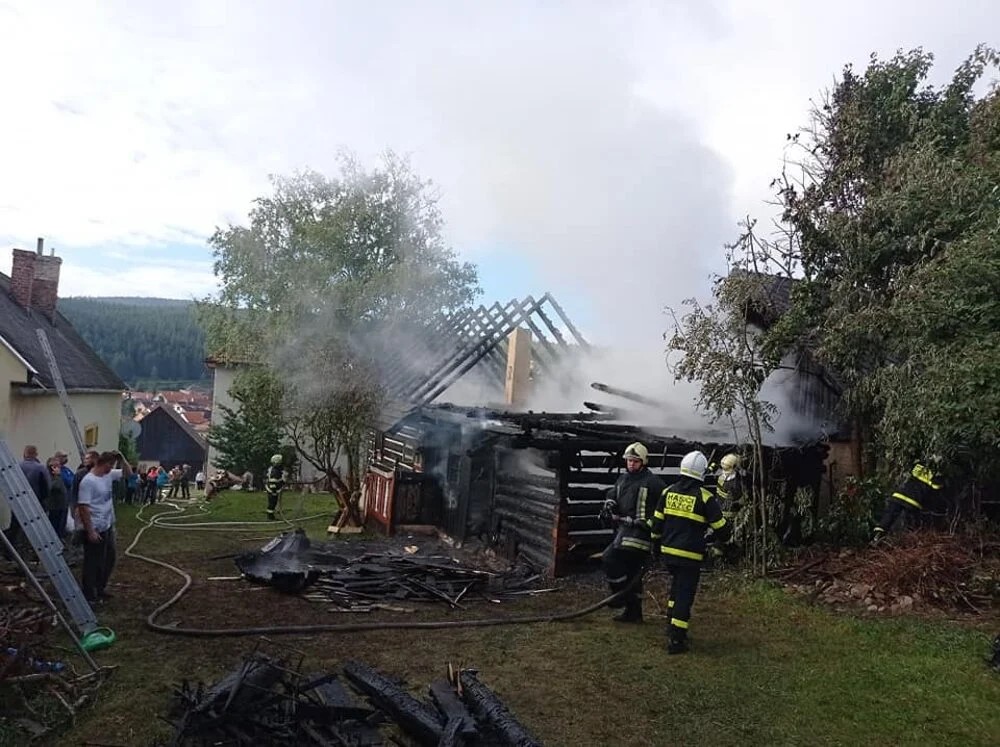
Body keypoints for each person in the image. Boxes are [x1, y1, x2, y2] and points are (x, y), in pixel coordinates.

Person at [648, 450, 731, 655]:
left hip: (669, 553)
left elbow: (656, 524)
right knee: (685, 595)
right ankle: (677, 640)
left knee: (676, 590)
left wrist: (655, 549)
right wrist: (726, 539)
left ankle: (670, 625)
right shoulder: (705, 498)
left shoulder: (668, 492)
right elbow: (722, 530)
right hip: (690, 556)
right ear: (701, 473)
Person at [599, 442, 665, 623]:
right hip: (624, 531)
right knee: (632, 574)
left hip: (640, 535)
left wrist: (650, 525)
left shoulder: (653, 482)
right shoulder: (623, 478)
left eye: (635, 461)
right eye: (629, 460)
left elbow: (663, 508)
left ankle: (619, 597)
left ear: (643, 462)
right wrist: (609, 503)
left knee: (609, 558)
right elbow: (613, 493)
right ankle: (633, 613)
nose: (631, 464)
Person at [76, 451, 132, 603]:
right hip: (94, 528)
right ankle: (89, 594)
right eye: (111, 465)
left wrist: (122, 458)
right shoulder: (89, 481)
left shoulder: (107, 475)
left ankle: (100, 588)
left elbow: (128, 474)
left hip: (106, 525)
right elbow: (83, 507)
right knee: (93, 562)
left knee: (109, 559)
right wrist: (90, 531)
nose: (111, 468)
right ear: (103, 464)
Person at [872, 461, 944, 543]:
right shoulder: (937, 473)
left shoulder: (919, 465)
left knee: (889, 516)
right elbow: (937, 487)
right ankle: (907, 542)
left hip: (898, 495)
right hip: (913, 500)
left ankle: (877, 536)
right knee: (912, 525)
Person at [45, 457, 69, 539]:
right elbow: (55, 486)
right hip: (55, 505)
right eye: (58, 466)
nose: (60, 467)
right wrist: (57, 476)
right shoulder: (50, 476)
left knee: (61, 525)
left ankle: (60, 538)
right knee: (55, 525)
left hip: (62, 504)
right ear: (52, 467)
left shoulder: (57, 475)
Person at [265, 454, 285, 520]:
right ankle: (270, 516)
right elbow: (273, 482)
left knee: (274, 502)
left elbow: (279, 479)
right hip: (272, 490)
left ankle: (271, 515)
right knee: (272, 503)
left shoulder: (275, 469)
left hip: (273, 489)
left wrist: (282, 483)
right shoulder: (275, 471)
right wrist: (274, 491)